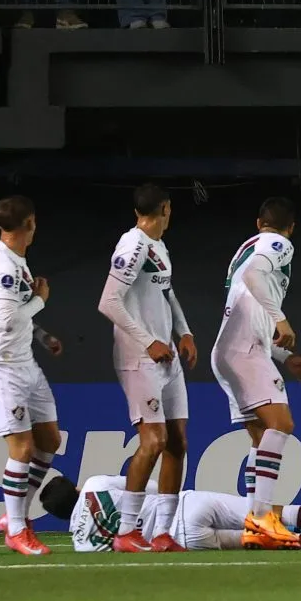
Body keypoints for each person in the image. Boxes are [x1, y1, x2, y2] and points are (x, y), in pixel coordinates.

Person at [97, 183, 195, 553]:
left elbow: (166, 292)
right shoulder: (134, 245)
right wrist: (147, 341)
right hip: (141, 358)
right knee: (153, 441)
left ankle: (164, 533)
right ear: (166, 208)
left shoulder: (158, 246)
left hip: (166, 356)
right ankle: (126, 531)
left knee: (178, 443)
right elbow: (108, 301)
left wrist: (182, 332)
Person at [211, 197, 301, 549]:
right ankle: (263, 517)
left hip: (229, 350)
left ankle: (255, 524)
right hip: (244, 351)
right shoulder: (278, 244)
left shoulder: (246, 247)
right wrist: (281, 318)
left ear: (257, 222)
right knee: (282, 425)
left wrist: (283, 356)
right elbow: (254, 277)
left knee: (260, 437)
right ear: (291, 227)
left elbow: (249, 301)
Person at [0, 196, 63, 556]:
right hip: (1, 367)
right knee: (23, 448)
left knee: (50, 442)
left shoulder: (14, 262)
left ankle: (16, 518)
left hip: (24, 362)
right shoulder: (4, 267)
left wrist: (42, 336)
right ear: (30, 223)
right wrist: (42, 298)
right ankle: (17, 529)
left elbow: (6, 315)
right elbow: (9, 319)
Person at [40, 475, 301, 552]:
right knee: (272, 512)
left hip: (184, 539)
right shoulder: (93, 484)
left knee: (266, 540)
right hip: (186, 505)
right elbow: (148, 486)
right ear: (73, 489)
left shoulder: (82, 544)